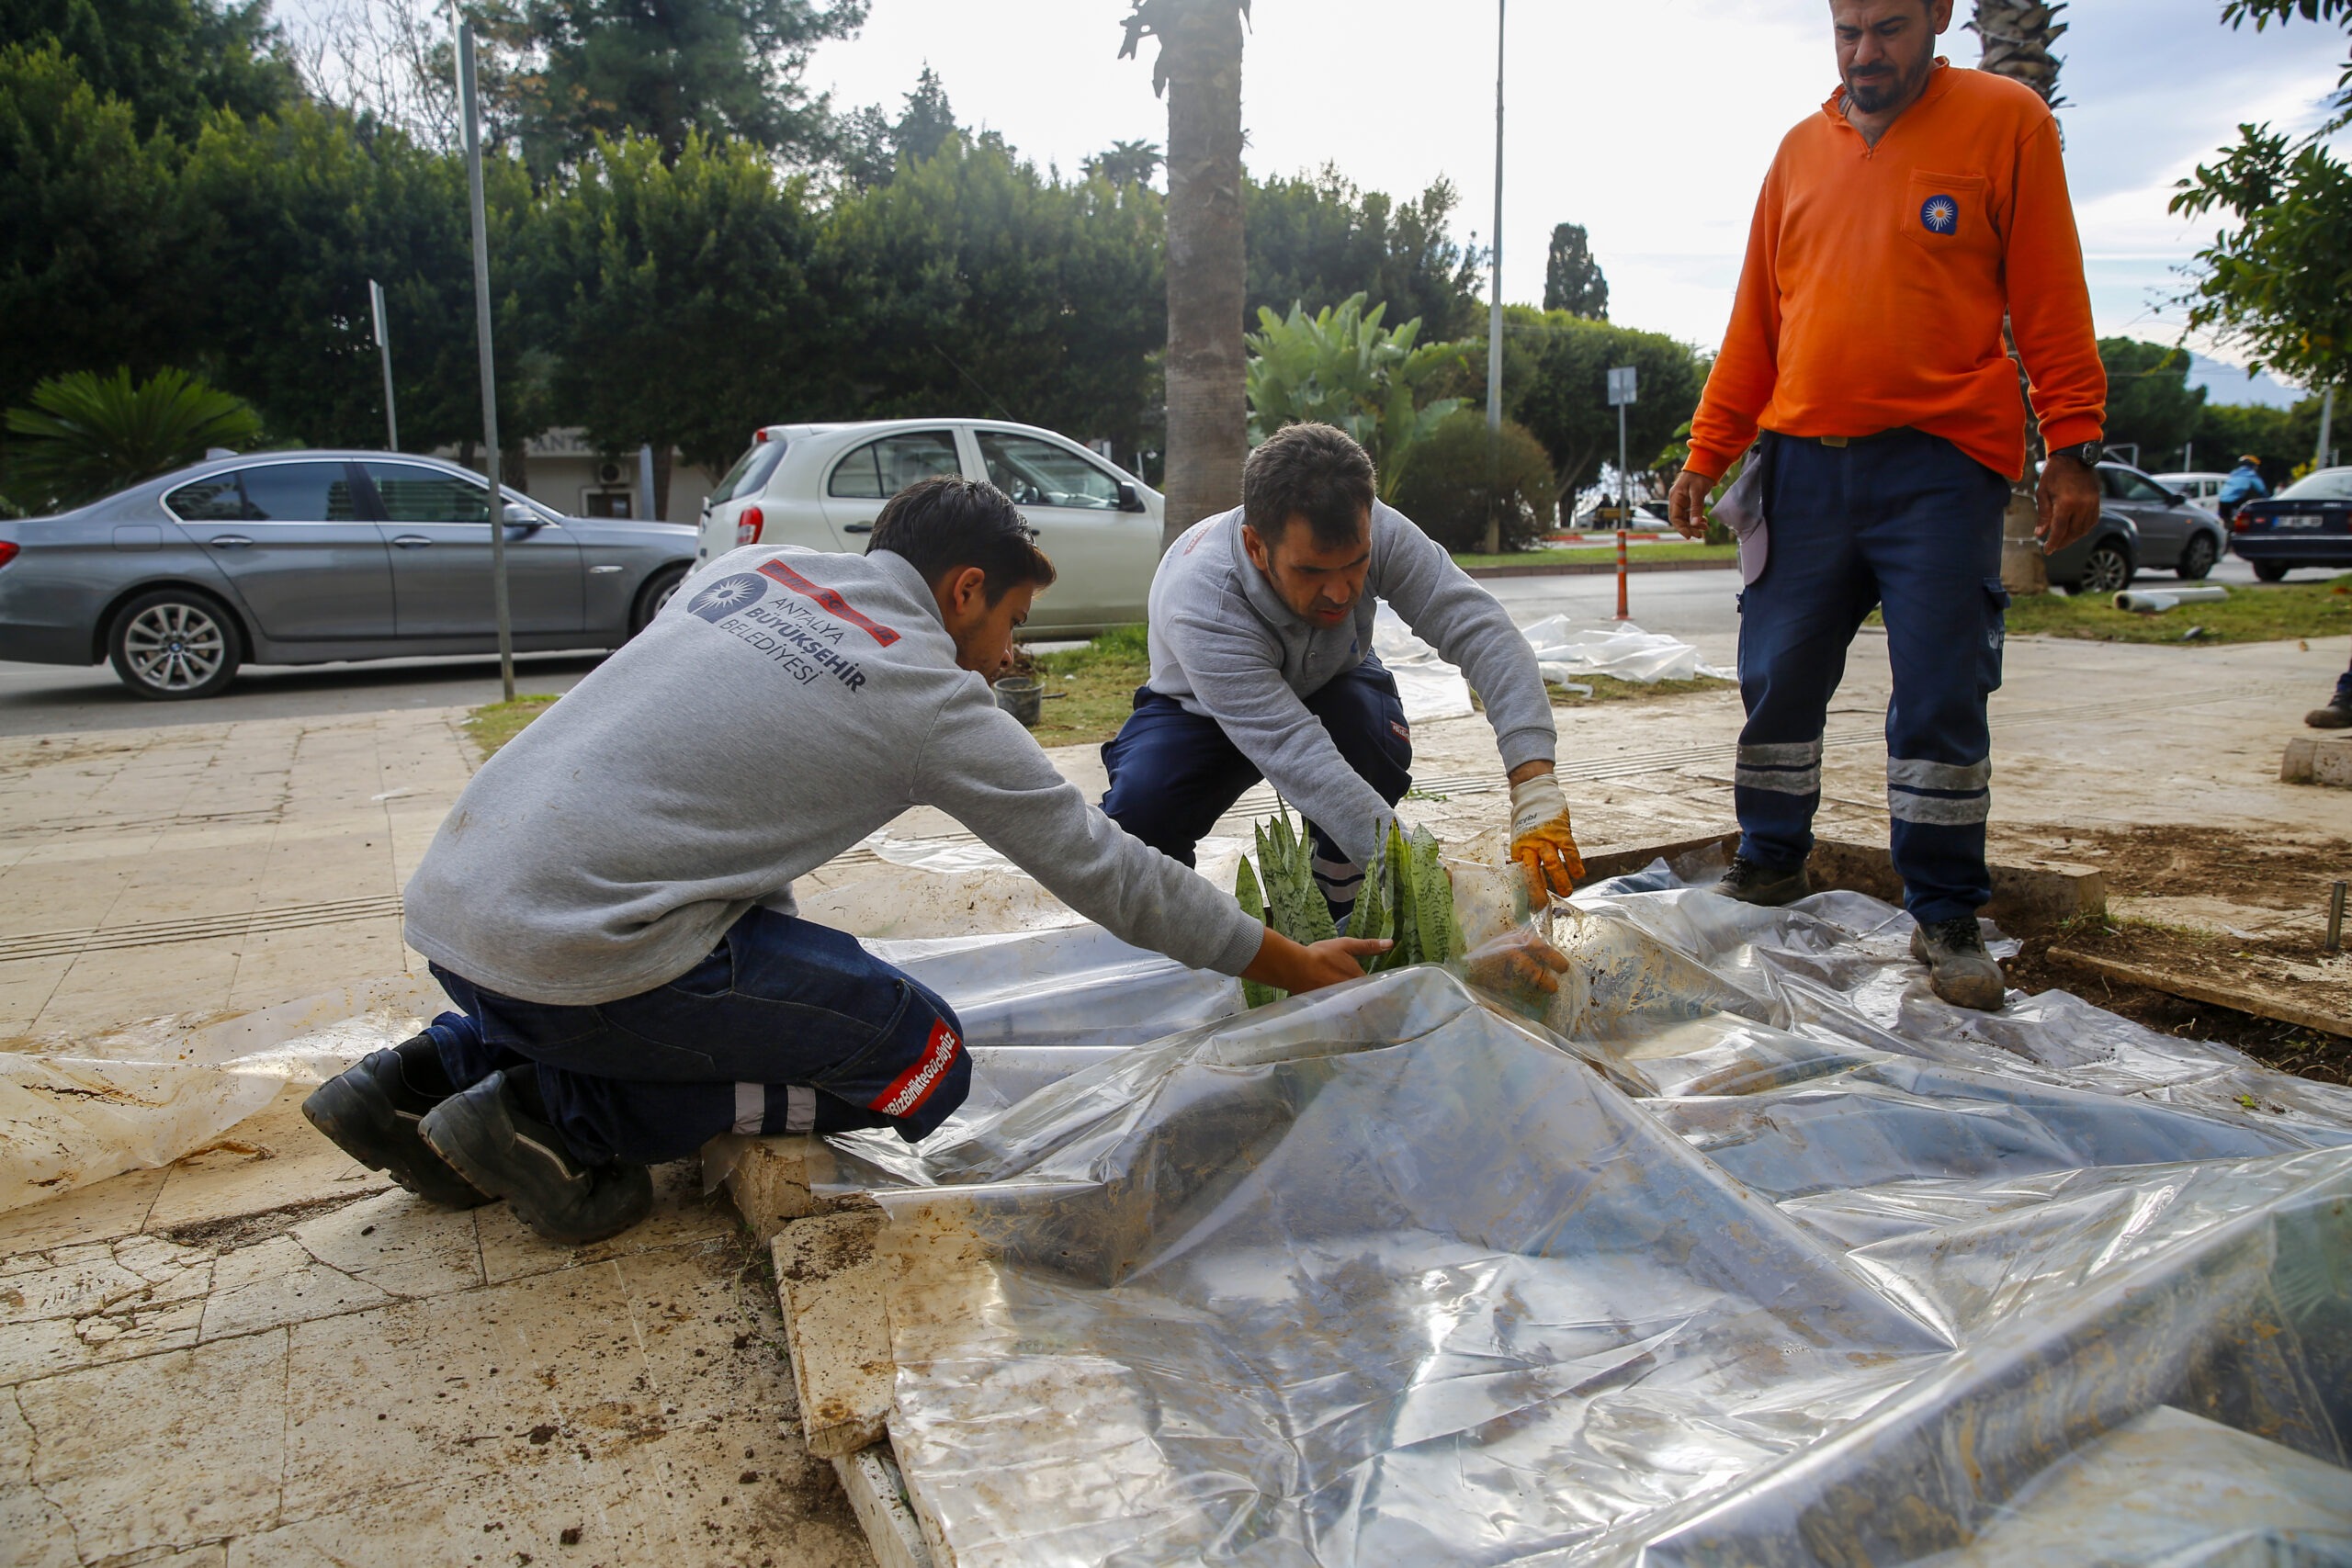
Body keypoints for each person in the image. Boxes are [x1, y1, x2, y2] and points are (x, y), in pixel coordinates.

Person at [302, 477, 1389, 1245]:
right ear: (962, 590)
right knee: (921, 1061)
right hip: (579, 956)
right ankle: (553, 1121)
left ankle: (415, 1078)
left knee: (758, 965)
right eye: (1010, 619)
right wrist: (1286, 963)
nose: (1009, 653)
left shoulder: (753, 570)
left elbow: (696, 784)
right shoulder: (927, 692)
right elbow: (1107, 868)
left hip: (457, 909)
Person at [1665, 0, 2106, 1011]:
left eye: (1891, 29)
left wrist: (2073, 446)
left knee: (1943, 689)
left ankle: (1946, 914)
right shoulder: (1796, 154)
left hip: (1941, 471)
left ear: (1942, 15)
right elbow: (1754, 327)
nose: (1865, 54)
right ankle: (1769, 861)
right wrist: (1707, 451)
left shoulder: (2005, 124)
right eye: (1847, 31)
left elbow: (2049, 294)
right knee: (1775, 678)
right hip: (1803, 470)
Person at [1100, 421, 1586, 925]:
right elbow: (1297, 753)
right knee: (1140, 816)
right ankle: (1173, 934)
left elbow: (1481, 630)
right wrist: (1427, 884)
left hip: (1334, 677)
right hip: (1199, 708)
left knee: (1367, 733)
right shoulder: (1205, 603)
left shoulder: (1380, 529)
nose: (1339, 593)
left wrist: (1534, 782)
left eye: (1355, 565)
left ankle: (1343, 895)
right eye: (1311, 572)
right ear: (1255, 546)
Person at [2216, 454, 2267, 523]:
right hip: (2235, 501)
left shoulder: (2233, 473)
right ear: (2252, 465)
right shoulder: (2250, 474)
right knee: (2249, 518)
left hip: (2222, 501)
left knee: (2227, 523)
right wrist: (2267, 499)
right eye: (2256, 466)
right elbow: (2261, 489)